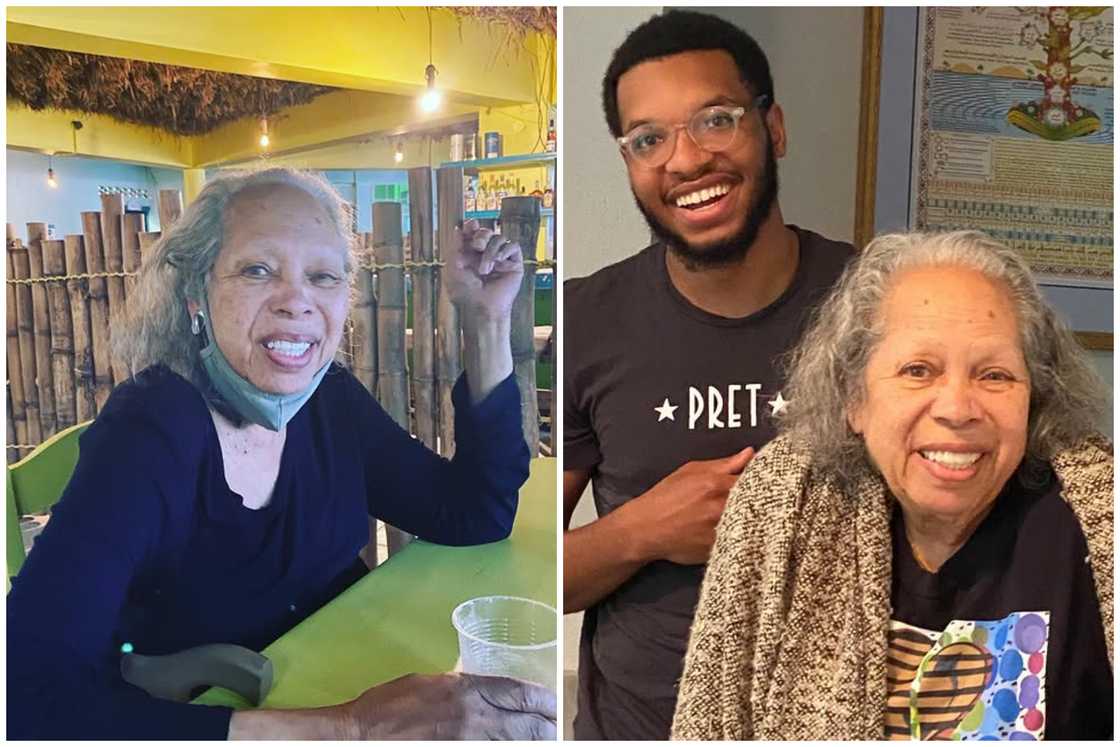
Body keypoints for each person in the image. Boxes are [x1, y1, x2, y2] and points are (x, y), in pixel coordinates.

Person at [7, 168, 556, 740]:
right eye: (257, 270)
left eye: (323, 276)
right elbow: (26, 695)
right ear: (197, 294)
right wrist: (352, 728)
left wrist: (486, 318)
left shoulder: (328, 399)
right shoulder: (149, 430)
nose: (297, 300)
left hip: (346, 670)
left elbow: (473, 513)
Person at [673, 231, 1113, 740]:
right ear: (854, 399)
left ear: (1033, 398)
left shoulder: (1097, 515)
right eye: (918, 370)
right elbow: (708, 724)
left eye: (994, 376)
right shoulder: (778, 499)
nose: (956, 408)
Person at [563, 10, 853, 740]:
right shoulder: (584, 320)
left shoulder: (878, 300)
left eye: (716, 120)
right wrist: (642, 529)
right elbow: (520, 577)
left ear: (773, 128)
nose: (686, 161)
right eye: (649, 139)